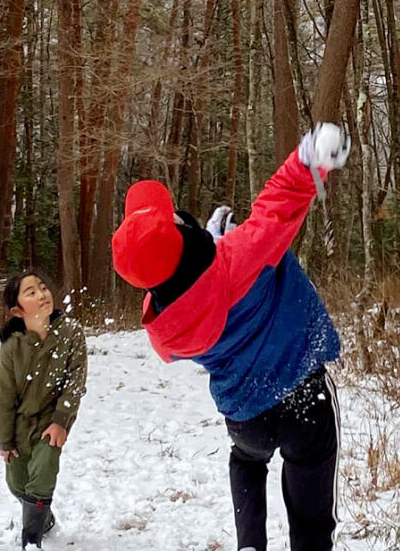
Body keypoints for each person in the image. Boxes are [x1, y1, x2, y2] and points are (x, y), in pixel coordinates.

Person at [111, 122, 351, 551]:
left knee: (246, 460)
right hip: (304, 396)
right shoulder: (239, 258)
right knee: (311, 480)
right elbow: (278, 206)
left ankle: (250, 543)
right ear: (185, 238)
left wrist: (215, 241)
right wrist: (309, 157)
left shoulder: (165, 331)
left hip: (246, 416)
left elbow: (195, 289)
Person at [0, 270, 88, 549]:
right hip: (20, 423)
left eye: (43, 288)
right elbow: (3, 395)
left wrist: (61, 420)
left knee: (43, 473)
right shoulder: (12, 346)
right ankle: (43, 519)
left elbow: (75, 382)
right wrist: (5, 439)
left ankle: (30, 540)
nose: (42, 294)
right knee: (17, 483)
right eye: (31, 292)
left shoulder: (70, 333)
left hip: (52, 419)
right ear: (17, 310)